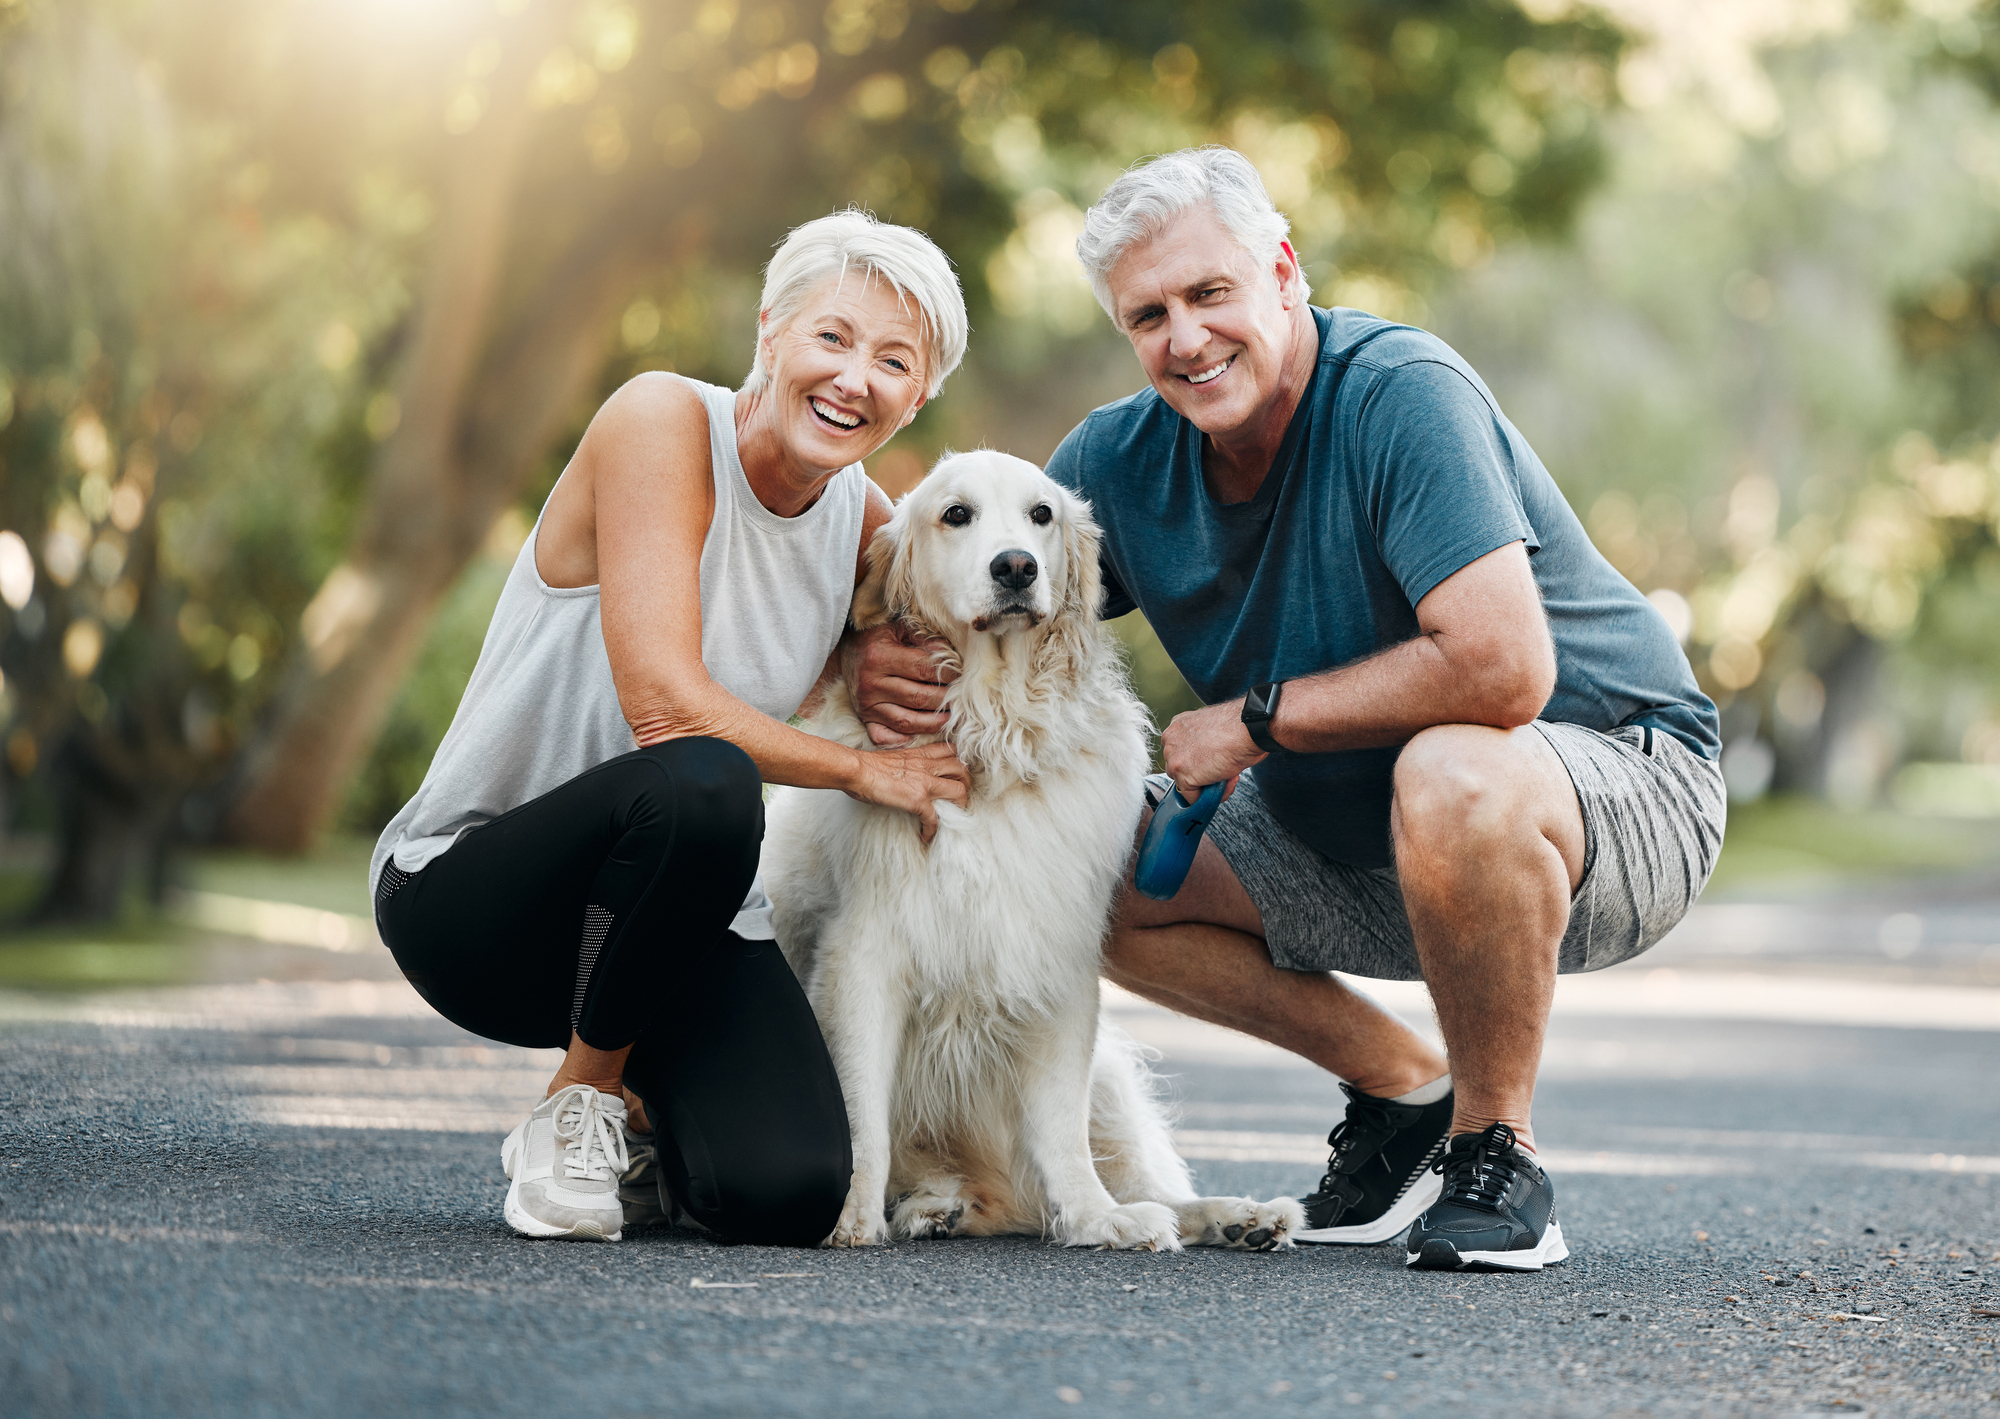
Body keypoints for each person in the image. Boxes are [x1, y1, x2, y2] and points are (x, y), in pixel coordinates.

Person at [849, 147, 1724, 1272]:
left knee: (1451, 769)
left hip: (1609, 790)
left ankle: (1495, 1150)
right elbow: (972, 567)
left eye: (1209, 294)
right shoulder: (1113, 463)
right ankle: (1404, 1088)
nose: (1185, 337)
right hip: (1353, 819)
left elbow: (1505, 671)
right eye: (1148, 314)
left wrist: (1253, 721)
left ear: (1282, 271)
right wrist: (871, 648)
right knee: (1093, 873)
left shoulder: (1399, 395)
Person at [370, 210, 971, 1247]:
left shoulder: (874, 526)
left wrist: (864, 656)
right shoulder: (658, 420)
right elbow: (665, 708)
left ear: (915, 397)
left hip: (671, 927)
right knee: (704, 779)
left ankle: (653, 1133)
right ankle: (580, 1104)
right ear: (769, 332)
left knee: (787, 1194)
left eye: (892, 361)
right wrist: (865, 773)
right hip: (477, 902)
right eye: (830, 337)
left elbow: (959, 642)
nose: (852, 378)